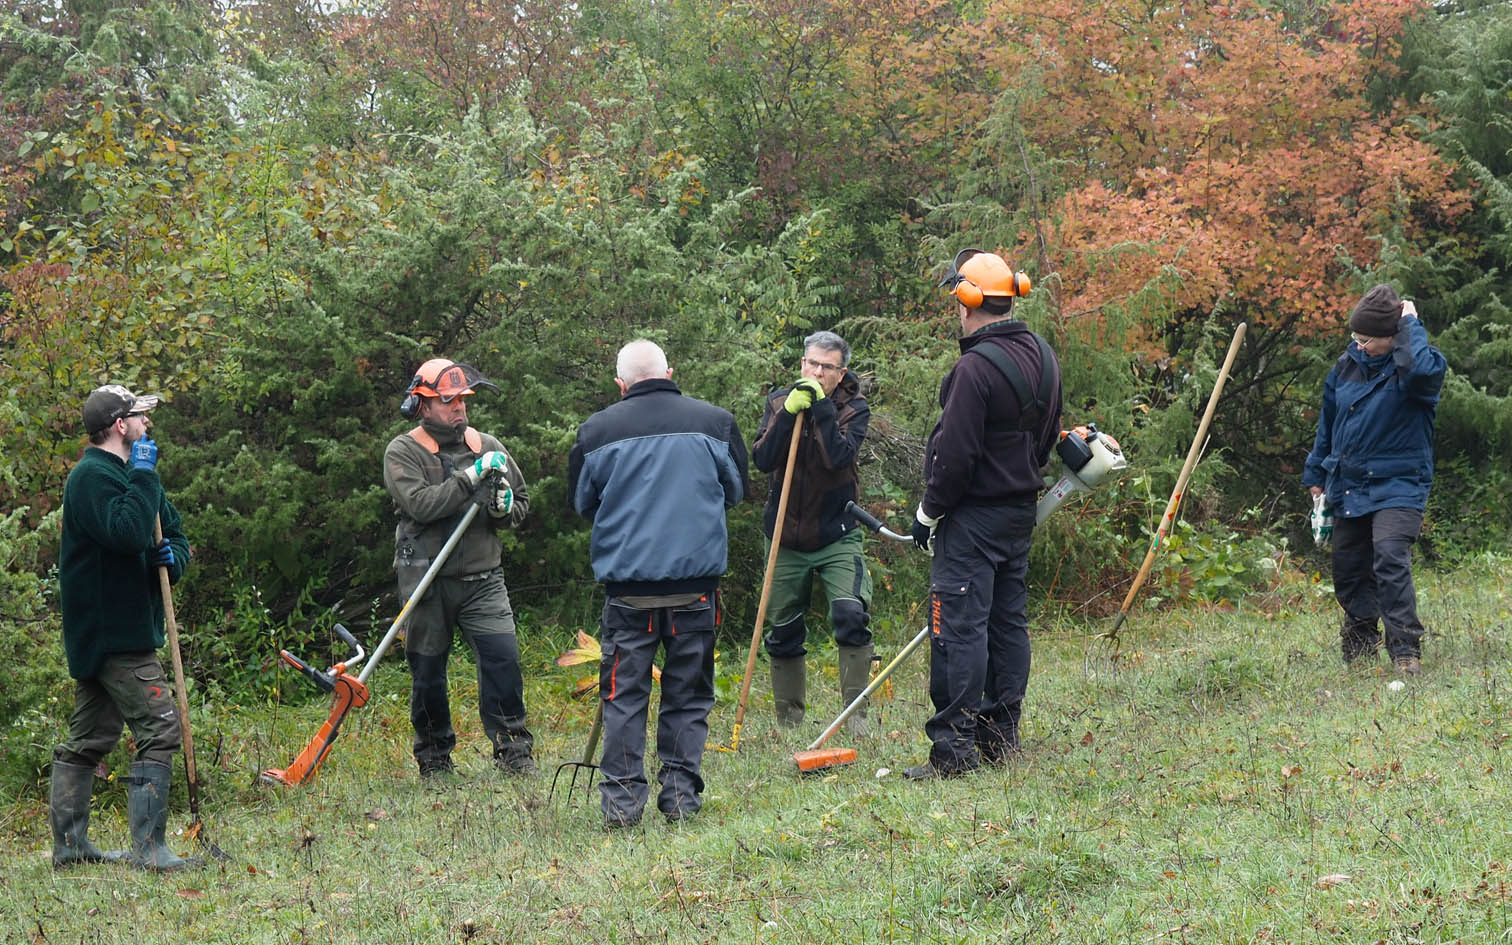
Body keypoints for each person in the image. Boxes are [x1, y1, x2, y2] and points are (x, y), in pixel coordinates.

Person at [568, 340, 748, 827]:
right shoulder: (716, 423)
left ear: (620, 384)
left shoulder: (595, 431)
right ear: (669, 372)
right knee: (688, 695)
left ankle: (622, 807)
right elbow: (736, 491)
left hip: (629, 595)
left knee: (624, 698)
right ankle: (681, 800)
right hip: (695, 591)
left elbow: (582, 503)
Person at [905, 248, 1061, 780]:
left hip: (971, 519)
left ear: (967, 301)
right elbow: (1046, 435)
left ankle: (954, 751)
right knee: (1007, 623)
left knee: (959, 628)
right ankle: (1000, 738)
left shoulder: (974, 368)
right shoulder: (1043, 354)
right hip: (1018, 513)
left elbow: (955, 457)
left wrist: (929, 512)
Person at [53, 384, 196, 871]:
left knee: (91, 737)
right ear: (120, 425)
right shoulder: (91, 477)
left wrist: (172, 560)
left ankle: (71, 848)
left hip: (121, 629)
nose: (146, 423)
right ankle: (150, 851)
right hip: (113, 633)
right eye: (139, 416)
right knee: (159, 727)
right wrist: (143, 477)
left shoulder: (134, 471)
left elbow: (173, 534)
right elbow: (128, 532)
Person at [383, 358, 534, 777]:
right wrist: (470, 479)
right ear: (422, 404)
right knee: (428, 672)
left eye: (463, 400)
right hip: (427, 581)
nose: (459, 408)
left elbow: (521, 501)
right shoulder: (403, 452)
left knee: (502, 660)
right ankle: (434, 758)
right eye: (449, 401)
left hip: (484, 578)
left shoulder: (487, 445)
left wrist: (504, 508)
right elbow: (421, 505)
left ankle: (514, 752)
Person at [1302, 284, 1446, 676]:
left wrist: (1410, 325)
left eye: (1368, 339)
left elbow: (1420, 372)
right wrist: (1316, 473)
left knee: (1389, 558)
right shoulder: (1345, 367)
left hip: (1400, 484)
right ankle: (1360, 648)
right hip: (1349, 482)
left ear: (1392, 335)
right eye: (1356, 337)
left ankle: (1405, 651)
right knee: (1349, 568)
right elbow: (1328, 423)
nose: (1360, 346)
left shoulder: (1419, 366)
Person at [750, 330, 874, 734]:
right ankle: (790, 722)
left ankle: (855, 720)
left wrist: (821, 409)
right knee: (783, 628)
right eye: (812, 364)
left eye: (827, 367)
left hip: (837, 531)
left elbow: (838, 458)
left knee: (850, 614)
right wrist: (788, 414)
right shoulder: (778, 401)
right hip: (784, 535)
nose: (818, 373)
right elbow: (762, 459)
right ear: (802, 364)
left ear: (842, 372)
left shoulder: (854, 409)